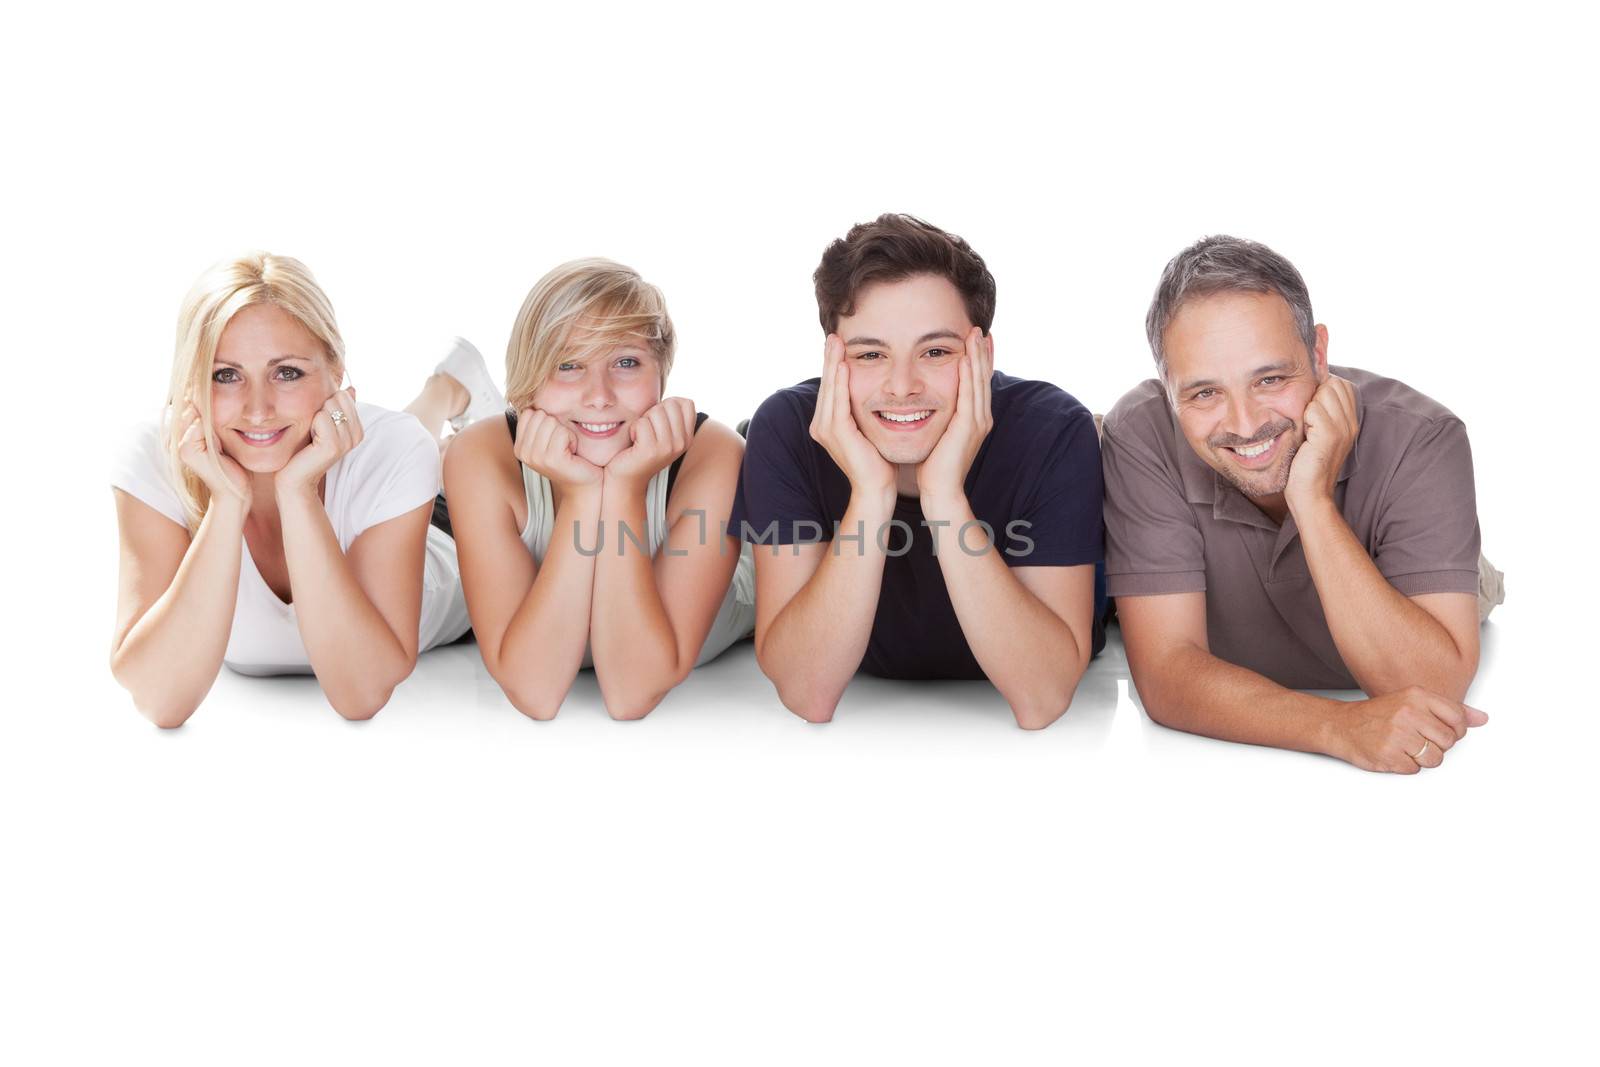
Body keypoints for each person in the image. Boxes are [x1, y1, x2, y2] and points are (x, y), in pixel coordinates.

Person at [1102, 234, 1504, 773]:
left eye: (1270, 379)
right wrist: (1336, 725)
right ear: (1167, 386)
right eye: (1204, 393)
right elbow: (1166, 673)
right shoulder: (1142, 432)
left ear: (1318, 353)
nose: (1244, 424)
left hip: (1420, 580)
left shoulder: (1423, 436)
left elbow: (1427, 689)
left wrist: (1311, 499)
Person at [730, 214, 1105, 729]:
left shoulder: (1055, 430)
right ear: (831, 360)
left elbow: (1041, 698)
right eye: (869, 354)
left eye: (935, 351)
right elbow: (807, 693)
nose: (901, 384)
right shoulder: (787, 428)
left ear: (983, 355)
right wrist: (870, 491)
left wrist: (944, 494)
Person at [110, 252, 502, 727]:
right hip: (370, 464)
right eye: (225, 375)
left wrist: (296, 491)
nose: (258, 408)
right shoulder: (154, 457)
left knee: (411, 446)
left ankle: (446, 389)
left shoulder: (396, 450)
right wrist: (228, 501)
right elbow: (159, 699)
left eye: (287, 372)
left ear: (337, 374)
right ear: (189, 383)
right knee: (391, 443)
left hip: (446, 527)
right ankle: (446, 384)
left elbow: (360, 694)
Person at [442, 258, 755, 721]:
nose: (599, 394)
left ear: (662, 376)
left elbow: (632, 693)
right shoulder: (480, 455)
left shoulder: (714, 454)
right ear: (529, 380)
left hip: (743, 576)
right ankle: (456, 393)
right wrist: (585, 495)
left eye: (626, 362)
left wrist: (624, 490)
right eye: (567, 365)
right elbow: (535, 692)